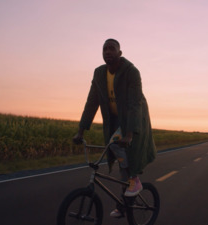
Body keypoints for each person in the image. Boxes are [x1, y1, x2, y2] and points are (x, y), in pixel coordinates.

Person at [73, 38, 156, 217]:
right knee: (121, 164)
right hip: (115, 119)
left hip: (135, 117)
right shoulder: (99, 73)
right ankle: (124, 204)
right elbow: (91, 103)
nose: (108, 52)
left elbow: (134, 104)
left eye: (112, 49)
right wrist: (80, 131)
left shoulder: (131, 72)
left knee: (120, 148)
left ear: (120, 53)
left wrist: (129, 134)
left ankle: (135, 180)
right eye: (105, 49)